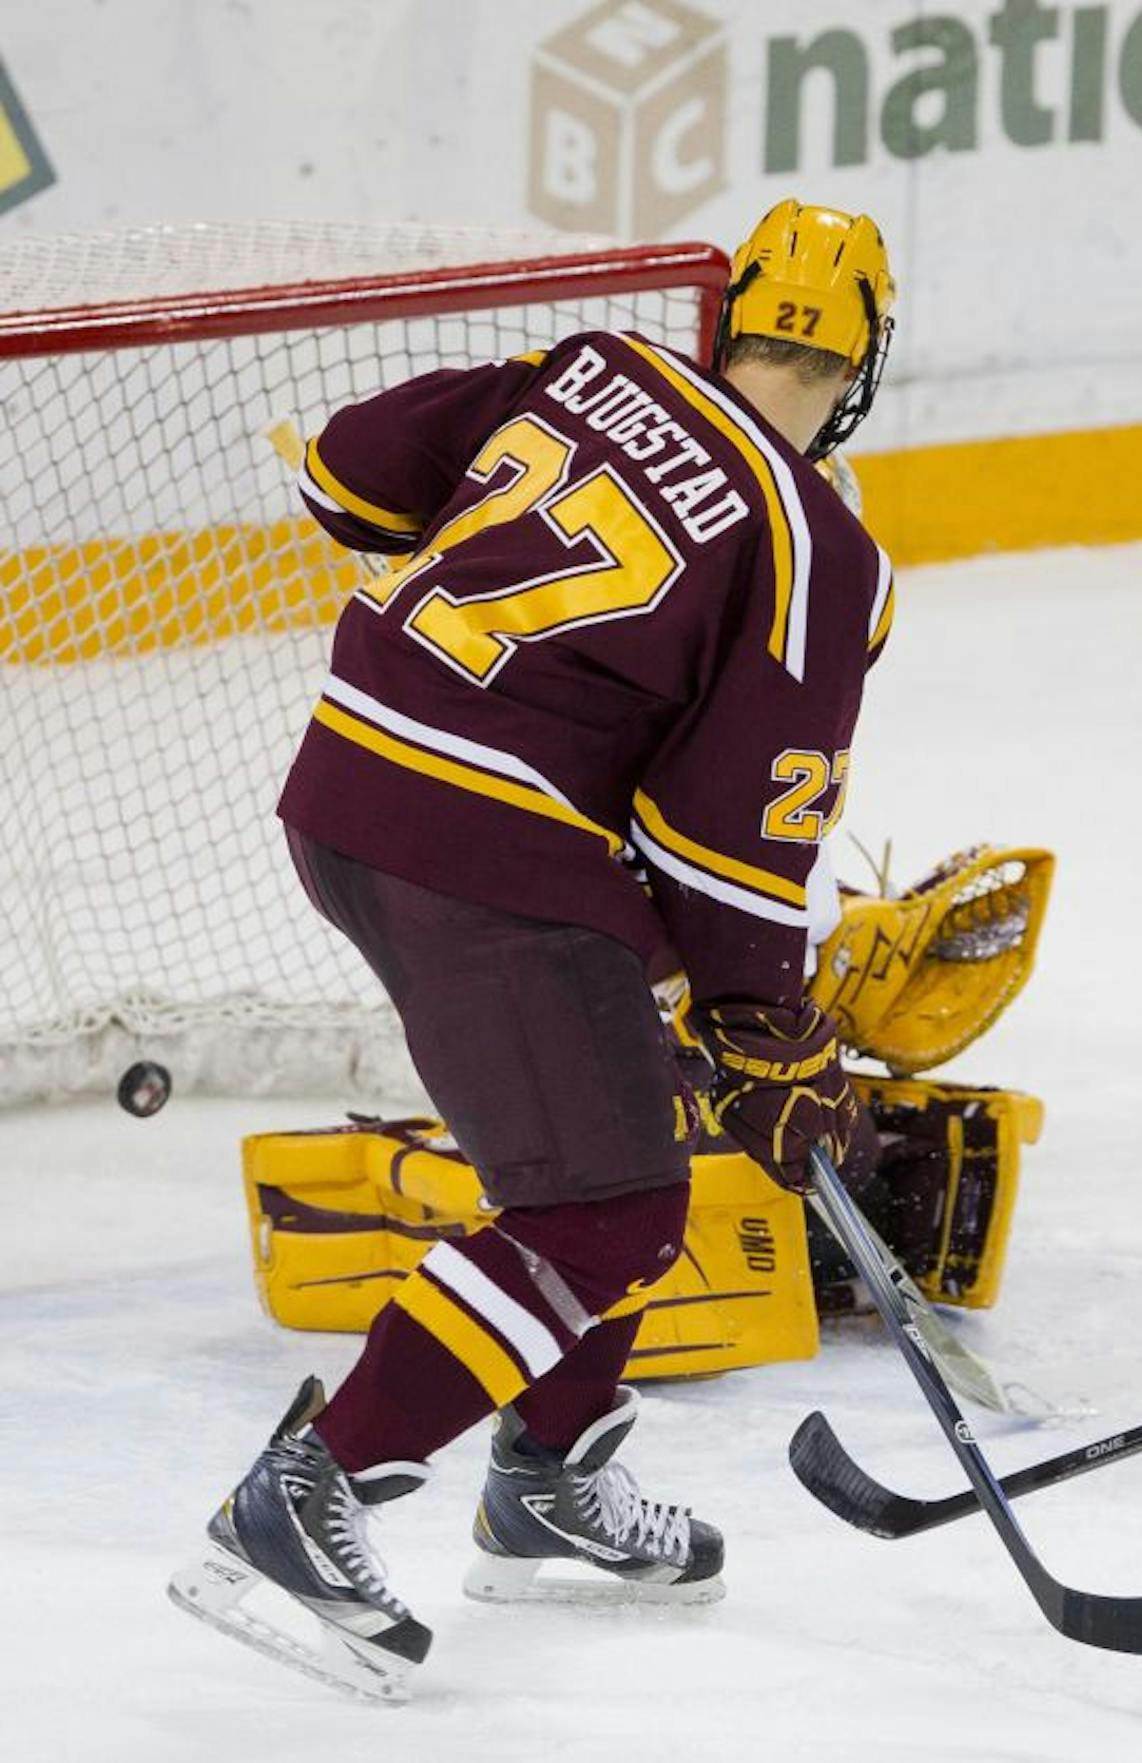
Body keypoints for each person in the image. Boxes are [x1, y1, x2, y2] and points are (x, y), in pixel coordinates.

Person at [168, 199, 898, 1701]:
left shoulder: (591, 363)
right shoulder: (820, 544)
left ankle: (549, 1478)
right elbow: (731, 831)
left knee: (618, 1142)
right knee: (607, 1212)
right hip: (481, 853)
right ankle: (307, 1493)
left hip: (348, 792)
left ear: (729, 320)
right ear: (866, 362)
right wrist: (772, 1019)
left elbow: (350, 472)